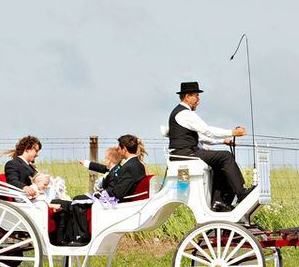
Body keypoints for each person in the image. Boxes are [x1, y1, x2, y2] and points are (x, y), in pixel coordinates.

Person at [166, 81, 255, 212]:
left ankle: (219, 201)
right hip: (186, 154)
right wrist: (232, 132)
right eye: (196, 96)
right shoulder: (185, 114)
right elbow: (207, 131)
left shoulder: (182, 113)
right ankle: (241, 192)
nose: (198, 101)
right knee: (225, 156)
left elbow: (201, 137)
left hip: (187, 152)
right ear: (187, 96)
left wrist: (225, 141)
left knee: (219, 161)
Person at [64, 135, 147, 246]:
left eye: (119, 148)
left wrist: (102, 193)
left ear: (124, 149)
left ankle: (82, 237)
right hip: (115, 198)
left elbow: (118, 192)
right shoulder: (133, 165)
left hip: (116, 202)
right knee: (81, 199)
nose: (118, 151)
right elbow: (111, 175)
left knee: (78, 201)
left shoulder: (131, 166)